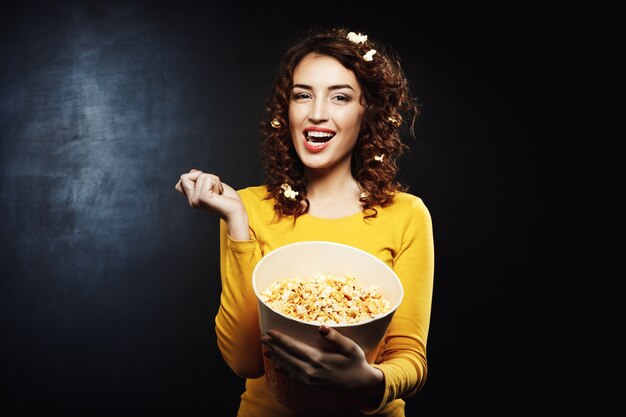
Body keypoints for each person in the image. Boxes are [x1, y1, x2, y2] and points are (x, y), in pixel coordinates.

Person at [175, 27, 434, 417]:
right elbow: (245, 361)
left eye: (340, 97)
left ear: (368, 111)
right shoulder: (246, 208)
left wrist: (366, 381)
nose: (317, 113)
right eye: (302, 95)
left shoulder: (407, 215)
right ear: (287, 110)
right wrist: (236, 223)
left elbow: (409, 357)